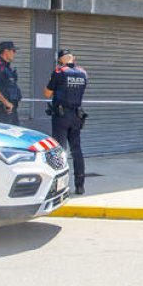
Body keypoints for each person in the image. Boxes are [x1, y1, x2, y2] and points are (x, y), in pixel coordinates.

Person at [44, 48, 88, 195]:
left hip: (61, 116)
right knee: (77, 150)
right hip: (76, 116)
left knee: (59, 151)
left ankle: (59, 186)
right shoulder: (83, 73)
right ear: (72, 58)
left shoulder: (59, 72)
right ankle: (80, 185)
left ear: (62, 59)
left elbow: (47, 93)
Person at [0, 41, 23, 125]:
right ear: (6, 51)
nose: (14, 53)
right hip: (4, 109)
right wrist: (6, 103)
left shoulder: (7, 66)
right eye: (13, 51)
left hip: (11, 108)